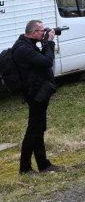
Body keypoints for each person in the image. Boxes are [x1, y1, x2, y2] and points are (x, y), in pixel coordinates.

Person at [13, 20, 62, 174]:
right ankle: (25, 169)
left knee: (38, 129)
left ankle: (43, 165)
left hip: (39, 91)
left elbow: (39, 62)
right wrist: (49, 43)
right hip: (34, 94)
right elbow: (46, 62)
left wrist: (44, 42)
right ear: (34, 32)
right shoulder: (22, 48)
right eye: (42, 31)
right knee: (33, 130)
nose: (45, 33)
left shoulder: (28, 44)